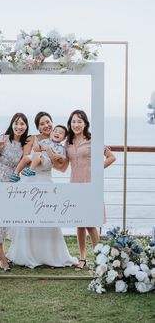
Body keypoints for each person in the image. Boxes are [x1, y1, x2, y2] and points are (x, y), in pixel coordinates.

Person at [7, 112, 78, 268]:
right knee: (28, 219)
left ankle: (50, 255)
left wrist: (50, 152)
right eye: (42, 123)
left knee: (48, 219)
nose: (46, 125)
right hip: (29, 179)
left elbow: (62, 167)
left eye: (48, 122)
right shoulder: (32, 138)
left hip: (46, 181)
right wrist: (37, 153)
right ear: (38, 126)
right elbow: (25, 158)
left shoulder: (58, 143)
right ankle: (27, 254)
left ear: (52, 123)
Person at [64, 109, 116, 270]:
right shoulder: (68, 142)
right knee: (79, 223)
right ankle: (83, 258)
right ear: (70, 124)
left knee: (91, 223)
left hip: (91, 185)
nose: (76, 124)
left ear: (85, 123)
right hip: (75, 186)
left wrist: (97, 170)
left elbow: (111, 157)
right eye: (73, 121)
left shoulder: (94, 140)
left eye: (79, 121)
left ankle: (100, 258)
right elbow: (63, 163)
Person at [0, 112, 29, 271]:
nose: (19, 127)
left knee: (7, 221)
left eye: (22, 124)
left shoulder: (24, 144)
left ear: (26, 127)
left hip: (13, 186)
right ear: (12, 124)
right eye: (16, 123)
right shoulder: (3, 138)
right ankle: (2, 258)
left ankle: (1, 251)